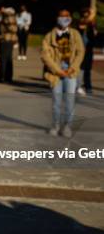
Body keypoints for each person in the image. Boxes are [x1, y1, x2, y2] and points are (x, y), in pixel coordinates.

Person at [41, 9, 84, 138]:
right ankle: (55, 126)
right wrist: (58, 71)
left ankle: (67, 127)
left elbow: (80, 52)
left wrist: (73, 67)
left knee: (70, 100)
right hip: (56, 72)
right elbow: (45, 55)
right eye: (62, 16)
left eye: (67, 16)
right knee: (56, 101)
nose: (64, 19)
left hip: (71, 71)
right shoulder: (49, 36)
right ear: (57, 18)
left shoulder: (75, 34)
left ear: (70, 18)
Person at [77, 7, 97, 95]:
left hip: (88, 49)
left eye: (87, 14)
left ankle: (88, 86)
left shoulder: (91, 25)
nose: (87, 15)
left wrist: (93, 24)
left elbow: (94, 35)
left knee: (87, 69)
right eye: (85, 14)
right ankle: (77, 85)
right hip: (80, 50)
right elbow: (84, 23)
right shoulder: (80, 22)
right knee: (80, 68)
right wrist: (92, 14)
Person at [0, 7, 18, 83]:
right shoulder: (14, 18)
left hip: (5, 40)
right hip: (11, 40)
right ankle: (8, 77)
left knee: (3, 59)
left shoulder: (7, 17)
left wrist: (2, 13)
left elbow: (6, 27)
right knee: (9, 59)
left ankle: (2, 76)